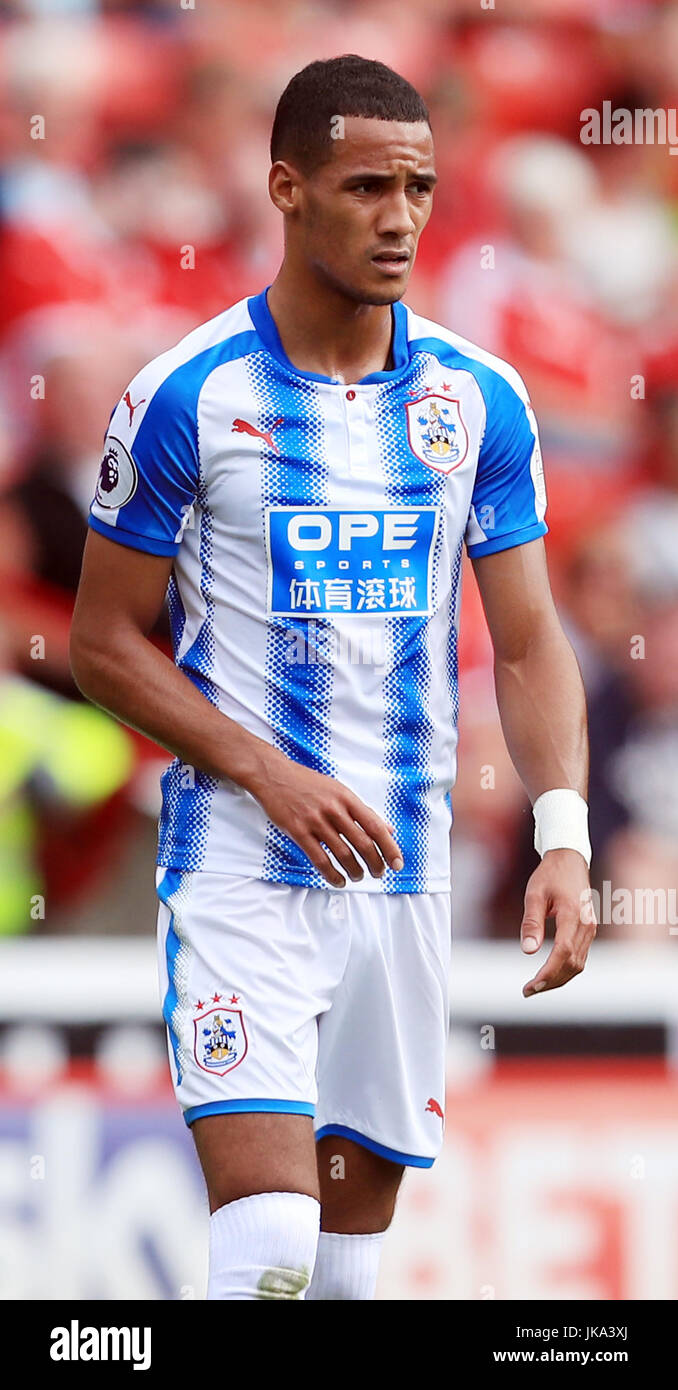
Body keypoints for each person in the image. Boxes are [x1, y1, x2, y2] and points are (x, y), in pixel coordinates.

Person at [70, 55, 595, 1302]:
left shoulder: (478, 400)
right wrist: (264, 770)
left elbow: (525, 641)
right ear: (287, 189)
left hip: (401, 873)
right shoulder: (187, 398)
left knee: (348, 1274)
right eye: (367, 186)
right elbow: (100, 643)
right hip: (245, 865)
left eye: (419, 186)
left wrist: (563, 835)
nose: (401, 216)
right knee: (270, 1258)